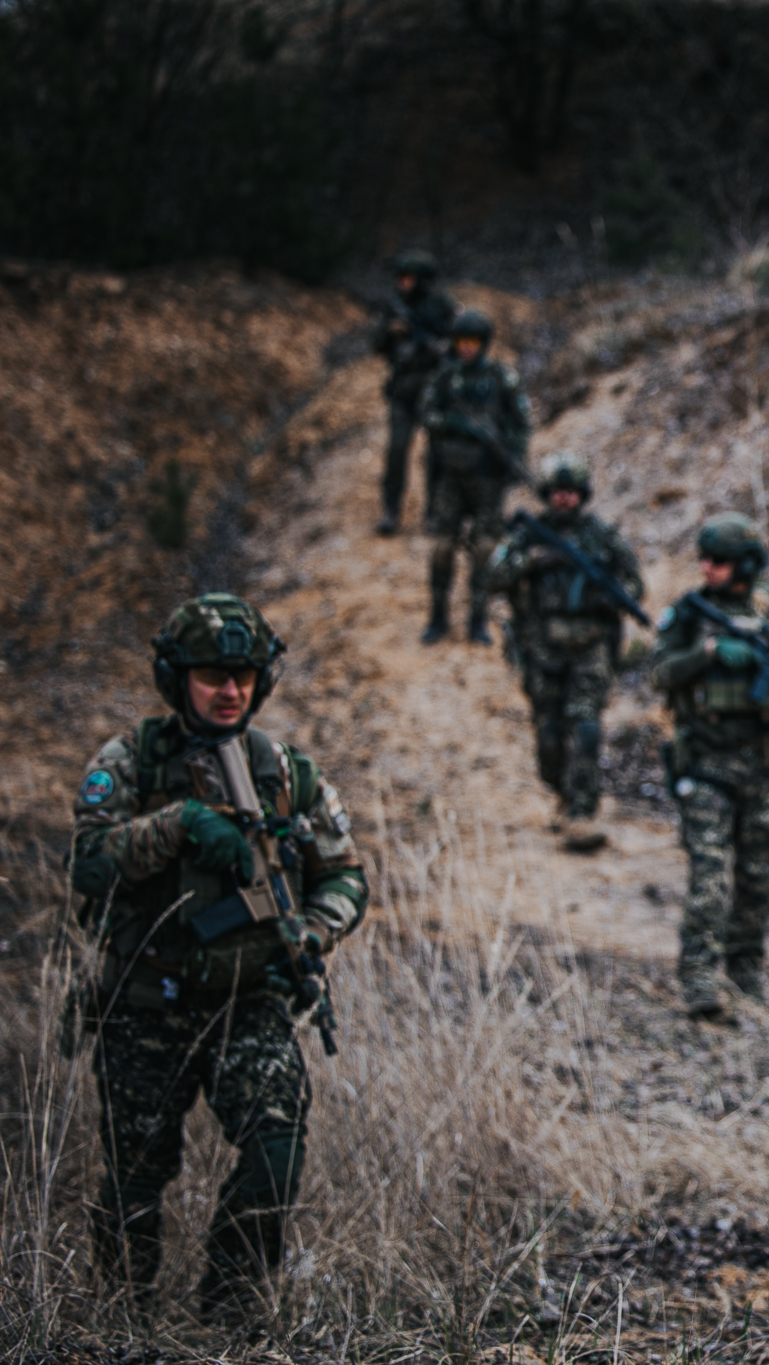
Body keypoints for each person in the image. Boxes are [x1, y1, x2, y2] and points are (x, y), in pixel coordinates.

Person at [67, 594, 367, 1314]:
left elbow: (346, 876)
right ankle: (119, 1321)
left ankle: (229, 1309)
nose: (229, 690)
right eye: (211, 674)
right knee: (135, 1178)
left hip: (250, 998)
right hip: (146, 999)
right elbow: (88, 867)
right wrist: (179, 825)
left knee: (277, 1145)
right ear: (179, 678)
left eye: (243, 674)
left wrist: (313, 931)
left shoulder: (287, 771)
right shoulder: (131, 761)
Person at [647, 514, 769, 1018]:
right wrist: (712, 652)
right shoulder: (689, 615)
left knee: (760, 877)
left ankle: (745, 974)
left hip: (761, 766)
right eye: (704, 559)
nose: (707, 568)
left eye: (717, 560)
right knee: (710, 878)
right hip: (707, 762)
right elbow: (659, 674)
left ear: (742, 564)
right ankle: (699, 979)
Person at [486, 452, 644, 852]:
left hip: (590, 647)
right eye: (557, 492)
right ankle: (561, 791)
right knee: (549, 735)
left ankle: (581, 812)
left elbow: (633, 585)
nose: (564, 500)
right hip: (541, 647)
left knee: (586, 728)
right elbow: (493, 576)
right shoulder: (528, 534)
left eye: (571, 492)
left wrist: (607, 597)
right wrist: (536, 560)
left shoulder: (601, 536)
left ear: (582, 495)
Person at [420, 308, 532, 645]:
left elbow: (521, 424)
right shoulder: (444, 378)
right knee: (442, 547)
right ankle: (438, 615)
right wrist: (456, 425)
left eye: (473, 342)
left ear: (483, 344)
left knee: (485, 549)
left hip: (487, 477)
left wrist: (514, 459)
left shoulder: (501, 378)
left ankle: (477, 619)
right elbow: (427, 415)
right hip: (449, 476)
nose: (466, 349)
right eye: (461, 342)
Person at [371, 249, 458, 535]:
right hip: (404, 389)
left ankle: (434, 514)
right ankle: (390, 511)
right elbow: (376, 345)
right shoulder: (394, 307)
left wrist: (438, 347)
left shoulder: (441, 305)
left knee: (436, 454)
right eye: (401, 277)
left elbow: (461, 341)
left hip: (434, 390)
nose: (403, 283)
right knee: (397, 450)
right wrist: (391, 333)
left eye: (409, 278)